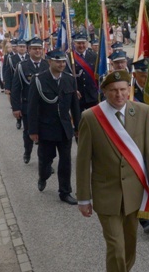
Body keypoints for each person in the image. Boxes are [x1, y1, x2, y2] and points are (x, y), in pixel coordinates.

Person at [76, 69, 149, 272]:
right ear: (105, 92)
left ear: (130, 90)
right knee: (115, 249)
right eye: (114, 90)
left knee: (129, 247)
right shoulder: (91, 118)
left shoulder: (143, 112)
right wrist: (83, 198)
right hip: (106, 196)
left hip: (135, 194)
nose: (119, 94)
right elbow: (83, 162)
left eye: (124, 89)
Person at [28, 50, 81, 205]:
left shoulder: (69, 79)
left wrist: (77, 127)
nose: (62, 64)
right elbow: (32, 107)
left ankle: (65, 192)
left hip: (64, 128)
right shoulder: (39, 80)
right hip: (46, 129)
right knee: (45, 160)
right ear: (49, 62)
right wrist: (33, 130)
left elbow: (74, 106)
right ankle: (42, 176)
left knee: (65, 162)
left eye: (63, 62)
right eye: (58, 62)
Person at [131, 58, 149, 234]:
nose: (146, 79)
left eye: (148, 75)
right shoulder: (128, 93)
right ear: (134, 75)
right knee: (142, 176)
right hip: (136, 141)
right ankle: (146, 218)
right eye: (142, 75)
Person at [12, 38, 46, 164]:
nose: (37, 51)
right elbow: (16, 88)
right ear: (29, 50)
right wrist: (15, 108)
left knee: (44, 135)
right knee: (28, 132)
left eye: (39, 48)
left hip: (45, 106)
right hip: (28, 106)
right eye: (34, 49)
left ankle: (44, 161)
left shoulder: (47, 64)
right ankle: (27, 152)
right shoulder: (22, 66)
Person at [71, 33, 99, 112]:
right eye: (79, 43)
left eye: (83, 43)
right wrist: (73, 89)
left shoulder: (94, 56)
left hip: (92, 95)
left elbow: (98, 74)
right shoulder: (70, 57)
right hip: (77, 96)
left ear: (87, 43)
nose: (81, 45)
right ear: (74, 43)